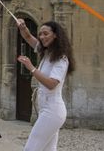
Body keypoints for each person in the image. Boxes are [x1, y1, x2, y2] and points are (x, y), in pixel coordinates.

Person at [17, 20, 75, 151]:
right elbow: (27, 37)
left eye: (45, 33)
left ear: (55, 35)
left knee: (30, 148)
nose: (42, 37)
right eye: (40, 34)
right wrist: (23, 27)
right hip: (46, 109)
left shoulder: (61, 59)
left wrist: (31, 68)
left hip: (52, 111)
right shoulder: (46, 52)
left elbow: (51, 84)